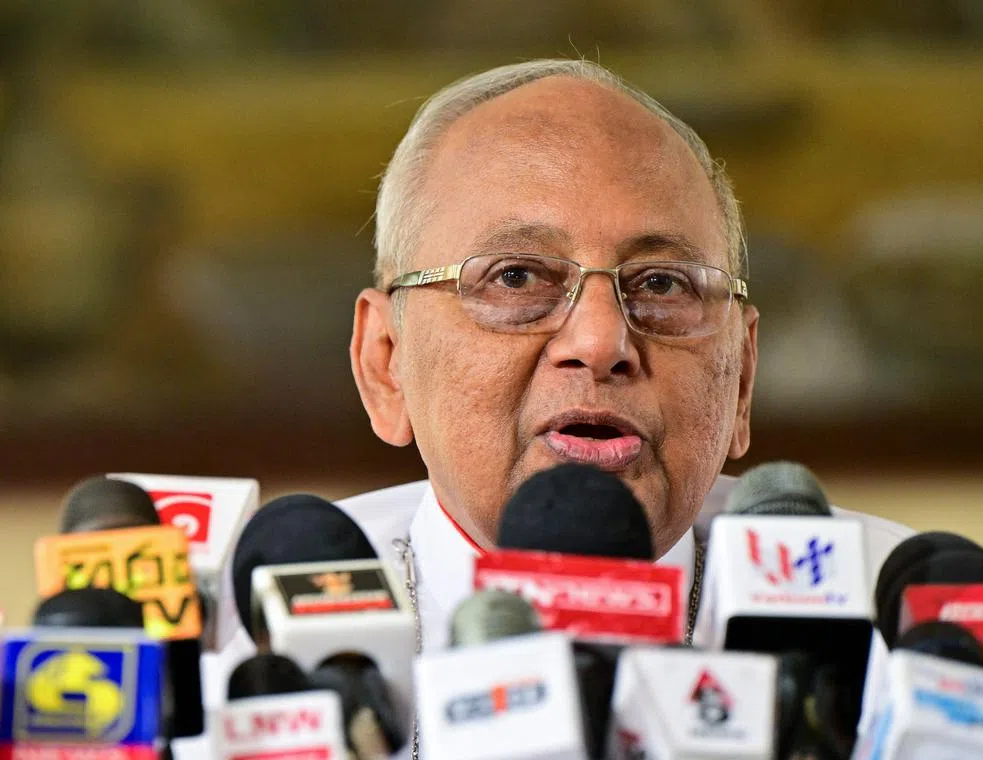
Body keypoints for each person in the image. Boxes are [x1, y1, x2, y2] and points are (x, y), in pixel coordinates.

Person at [188, 58, 913, 760]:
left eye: (660, 284)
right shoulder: (224, 677)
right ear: (385, 362)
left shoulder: (898, 639)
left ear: (742, 377)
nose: (600, 342)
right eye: (516, 276)